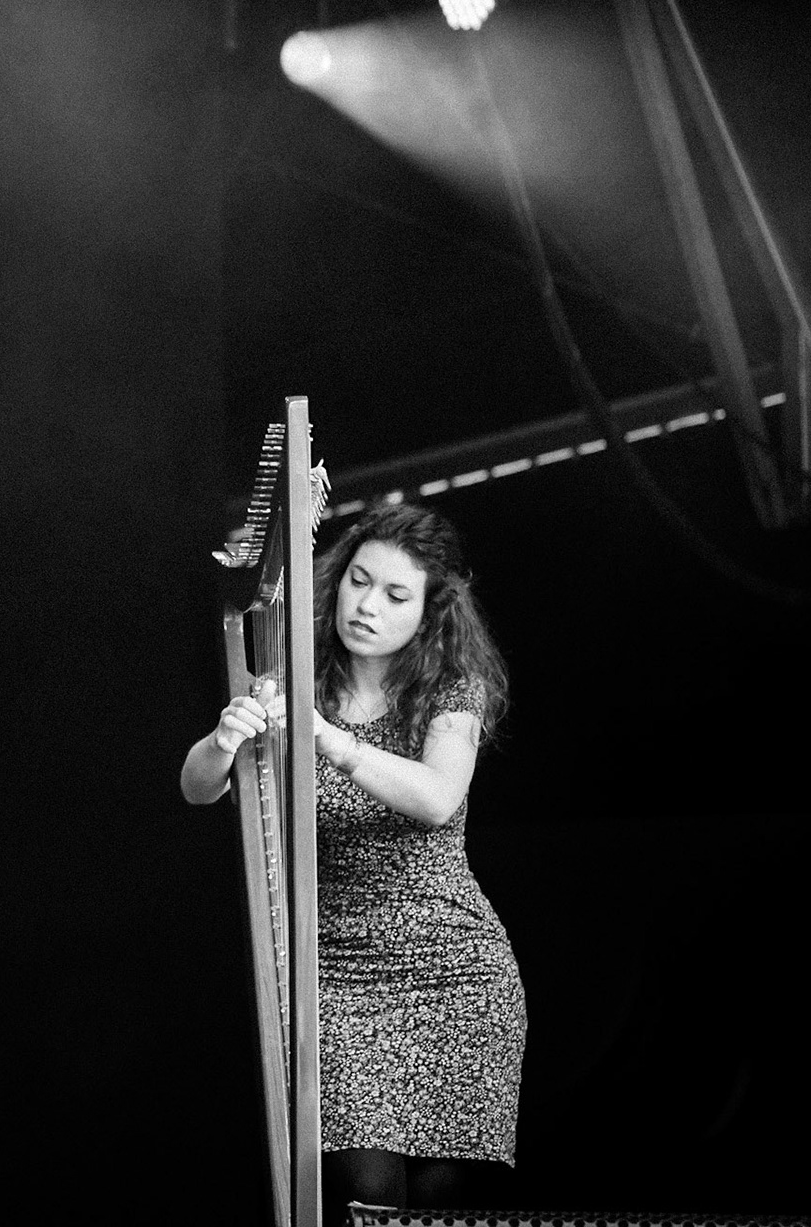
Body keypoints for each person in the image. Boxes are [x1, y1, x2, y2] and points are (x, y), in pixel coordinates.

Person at [181, 501, 523, 1216]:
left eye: (395, 595)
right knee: (366, 1192)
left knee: (437, 1201)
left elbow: (434, 799)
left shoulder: (452, 692)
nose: (366, 606)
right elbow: (198, 788)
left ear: (430, 612)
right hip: (337, 973)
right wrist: (223, 740)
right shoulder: (292, 677)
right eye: (358, 581)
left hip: (455, 969)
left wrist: (334, 743)